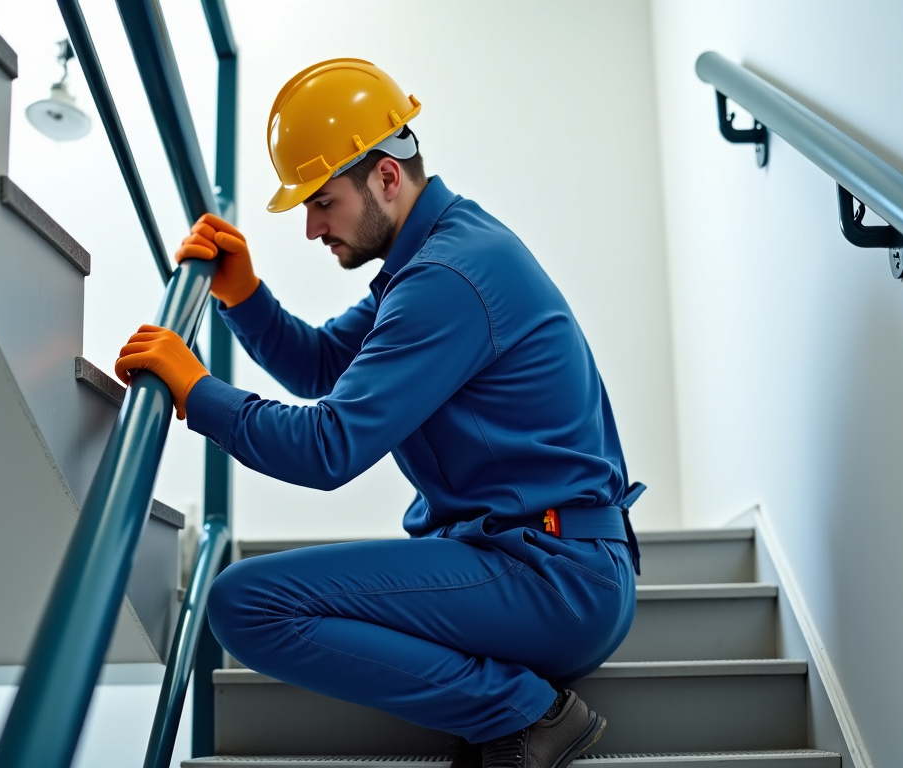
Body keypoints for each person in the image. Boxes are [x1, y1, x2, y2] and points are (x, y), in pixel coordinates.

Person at [115, 58, 644, 768]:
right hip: (525, 561)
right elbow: (326, 364)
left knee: (246, 603)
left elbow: (328, 448)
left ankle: (527, 715)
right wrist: (244, 300)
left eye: (322, 201)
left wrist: (198, 392)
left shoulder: (447, 278)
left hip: (554, 575)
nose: (310, 227)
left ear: (387, 177)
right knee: (251, 599)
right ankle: (512, 703)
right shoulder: (428, 256)